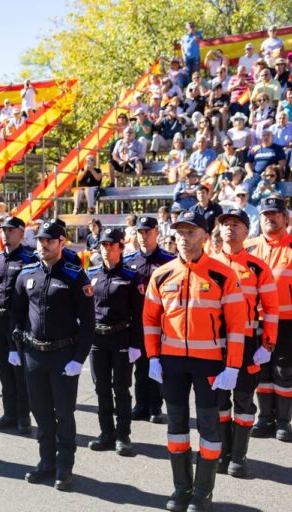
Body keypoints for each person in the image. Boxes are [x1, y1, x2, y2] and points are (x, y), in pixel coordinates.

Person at [143, 210, 246, 512]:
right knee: (176, 425)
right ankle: (181, 489)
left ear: (205, 236)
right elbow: (150, 320)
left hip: (209, 364)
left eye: (191, 232)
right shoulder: (161, 274)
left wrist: (233, 365)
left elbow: (237, 325)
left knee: (209, 428)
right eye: (180, 233)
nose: (184, 238)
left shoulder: (223, 274)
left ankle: (203, 493)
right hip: (171, 364)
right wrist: (153, 357)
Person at [12, 219, 94, 491]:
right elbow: (17, 314)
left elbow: (88, 322)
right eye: (40, 240)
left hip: (63, 356)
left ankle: (64, 466)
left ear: (62, 243)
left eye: (49, 240)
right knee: (41, 411)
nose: (44, 245)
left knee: (64, 413)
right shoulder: (26, 274)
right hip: (34, 355)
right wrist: (16, 348)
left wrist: (78, 358)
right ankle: (46, 461)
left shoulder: (74, 275)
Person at [213, 208, 278, 477]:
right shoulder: (209, 264)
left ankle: (239, 456)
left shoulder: (258, 267)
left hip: (247, 343)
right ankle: (223, 452)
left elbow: (271, 309)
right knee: (218, 401)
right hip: (214, 344)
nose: (230, 228)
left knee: (243, 399)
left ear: (247, 231)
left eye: (236, 224)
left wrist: (267, 344)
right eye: (226, 224)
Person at [86, 228, 143, 457]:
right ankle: (106, 433)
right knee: (101, 388)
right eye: (103, 245)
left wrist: (136, 344)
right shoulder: (91, 274)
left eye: (111, 245)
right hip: (97, 340)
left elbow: (139, 314)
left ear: (121, 247)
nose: (107, 249)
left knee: (120, 388)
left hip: (121, 337)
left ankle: (122, 436)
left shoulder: (131, 276)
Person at [0, 216, 38, 434]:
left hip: (19, 322)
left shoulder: (29, 259)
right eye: (3, 230)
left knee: (19, 371)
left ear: (21, 233)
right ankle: (9, 413)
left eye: (10, 230)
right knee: (4, 370)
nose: (5, 234)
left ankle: (23, 415)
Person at [244, 197, 292, 443]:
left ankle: (283, 421)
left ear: (286, 218)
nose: (270, 218)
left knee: (283, 372)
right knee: (261, 371)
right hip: (257, 321)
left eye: (275, 214)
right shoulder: (249, 247)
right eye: (266, 215)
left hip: (287, 321)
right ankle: (265, 418)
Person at [124, 216, 175, 424]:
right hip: (137, 323)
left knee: (157, 365)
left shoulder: (169, 260)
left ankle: (155, 406)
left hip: (160, 323)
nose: (143, 236)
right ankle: (140, 405)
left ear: (157, 232)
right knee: (140, 366)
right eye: (140, 232)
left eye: (148, 231)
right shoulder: (129, 261)